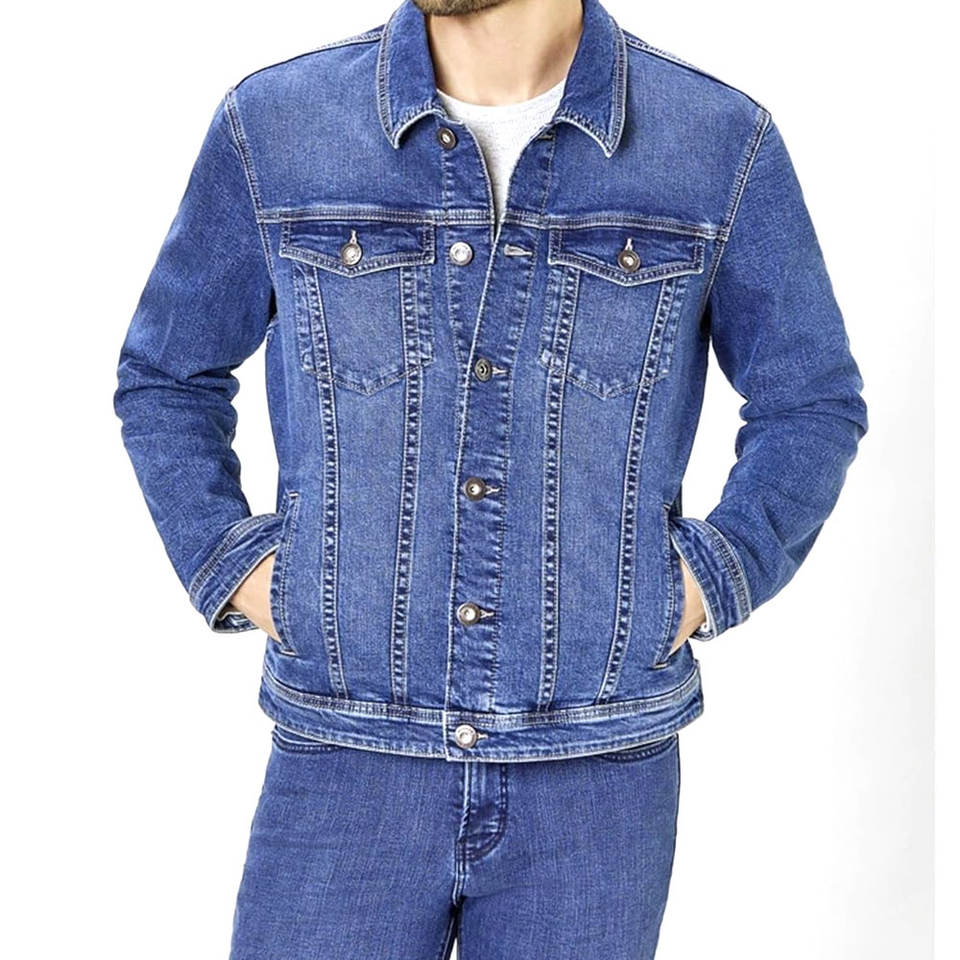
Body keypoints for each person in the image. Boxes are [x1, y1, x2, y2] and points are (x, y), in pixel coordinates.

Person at [112, 0, 869, 956]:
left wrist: (697, 585)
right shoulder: (277, 126)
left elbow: (811, 401)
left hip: (596, 772)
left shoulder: (716, 143)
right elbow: (166, 374)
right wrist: (247, 571)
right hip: (346, 757)